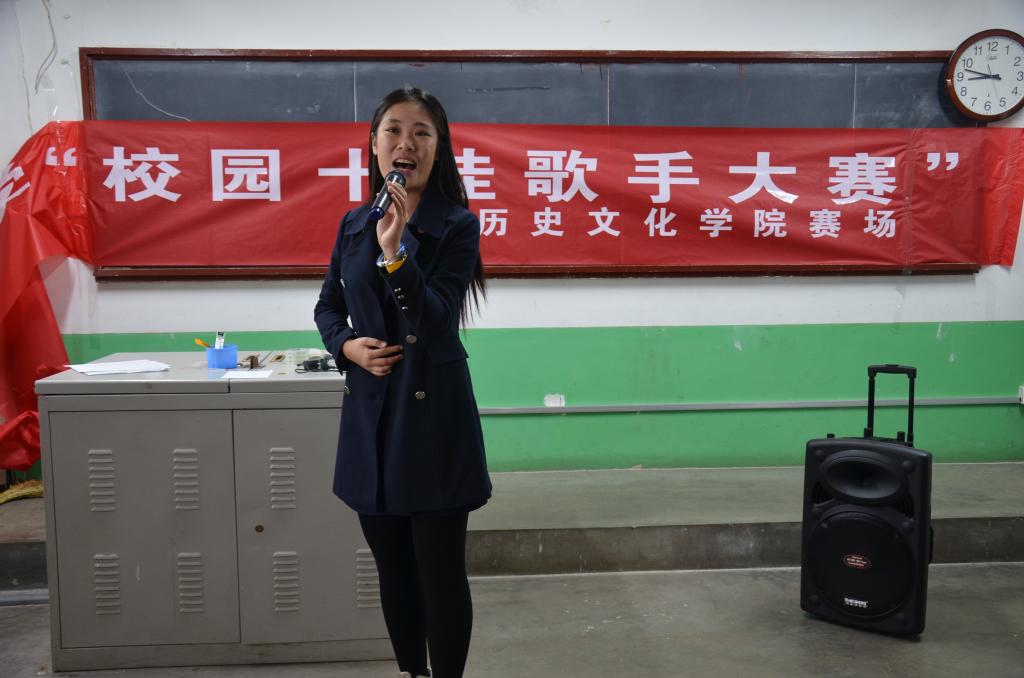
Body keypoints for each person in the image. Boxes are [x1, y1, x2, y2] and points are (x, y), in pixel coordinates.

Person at [314, 86, 491, 678]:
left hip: (432, 419)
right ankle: (411, 671)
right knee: (392, 569)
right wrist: (347, 346)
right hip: (372, 415)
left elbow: (435, 318)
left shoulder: (457, 226)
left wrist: (395, 254)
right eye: (393, 130)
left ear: (439, 149)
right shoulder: (353, 224)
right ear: (373, 144)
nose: (405, 143)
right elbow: (327, 306)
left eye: (421, 132)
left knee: (439, 573)